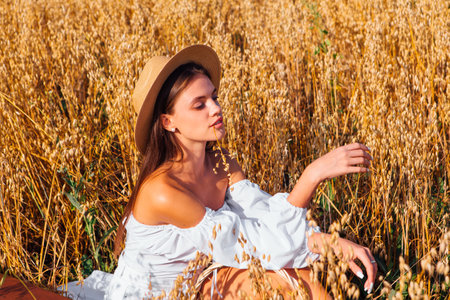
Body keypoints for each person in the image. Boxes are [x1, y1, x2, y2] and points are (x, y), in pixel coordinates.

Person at [65, 45, 377, 299]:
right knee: (287, 285)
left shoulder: (221, 161)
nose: (216, 108)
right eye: (199, 105)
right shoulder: (161, 191)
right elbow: (245, 243)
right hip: (158, 295)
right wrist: (311, 176)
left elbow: (260, 214)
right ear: (168, 122)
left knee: (303, 282)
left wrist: (326, 241)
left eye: (213, 97)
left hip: (202, 277)